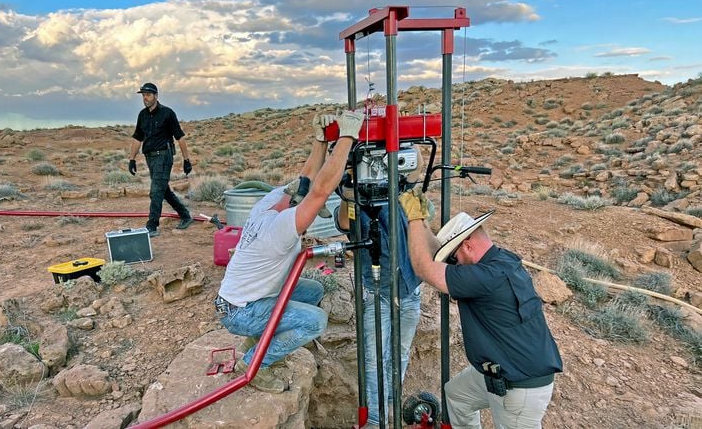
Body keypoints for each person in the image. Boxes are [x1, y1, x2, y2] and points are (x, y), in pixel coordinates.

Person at [216, 110, 365, 394]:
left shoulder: (270, 203)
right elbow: (319, 191)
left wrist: (320, 141)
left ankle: (258, 341)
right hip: (240, 312)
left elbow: (307, 180)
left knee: (312, 291)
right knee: (315, 321)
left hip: (241, 298)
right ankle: (253, 364)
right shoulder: (280, 228)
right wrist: (347, 137)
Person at [398, 190, 563, 429]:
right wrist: (422, 222)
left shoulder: (485, 277)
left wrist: (412, 220)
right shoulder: (499, 260)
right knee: (456, 395)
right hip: (501, 372)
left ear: (467, 246)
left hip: (520, 385)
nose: (454, 265)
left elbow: (425, 269)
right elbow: (437, 258)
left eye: (455, 257)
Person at [334, 158, 423, 428]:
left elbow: (416, 170)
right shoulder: (356, 200)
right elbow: (345, 224)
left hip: (409, 288)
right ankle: (375, 419)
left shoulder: (401, 194)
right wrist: (349, 193)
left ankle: (391, 405)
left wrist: (407, 157)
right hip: (376, 292)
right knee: (374, 358)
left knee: (401, 352)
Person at [127, 82, 193, 238]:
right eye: (143, 95)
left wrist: (186, 160)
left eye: (148, 95)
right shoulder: (142, 115)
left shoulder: (167, 113)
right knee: (163, 190)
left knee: (156, 191)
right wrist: (132, 159)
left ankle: (152, 226)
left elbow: (180, 137)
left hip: (164, 156)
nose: (145, 98)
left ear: (156, 96)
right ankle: (185, 215)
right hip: (150, 157)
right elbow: (137, 138)